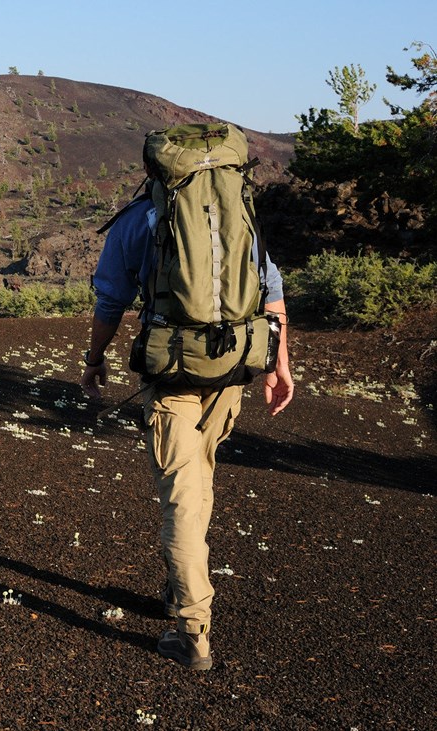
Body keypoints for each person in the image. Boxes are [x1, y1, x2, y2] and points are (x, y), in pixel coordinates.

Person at [78, 195, 294, 671]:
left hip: (171, 371)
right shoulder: (236, 207)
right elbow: (271, 288)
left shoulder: (137, 219)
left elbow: (111, 298)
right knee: (201, 475)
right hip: (232, 368)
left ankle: (191, 628)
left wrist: (95, 361)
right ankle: (180, 586)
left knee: (180, 493)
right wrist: (280, 365)